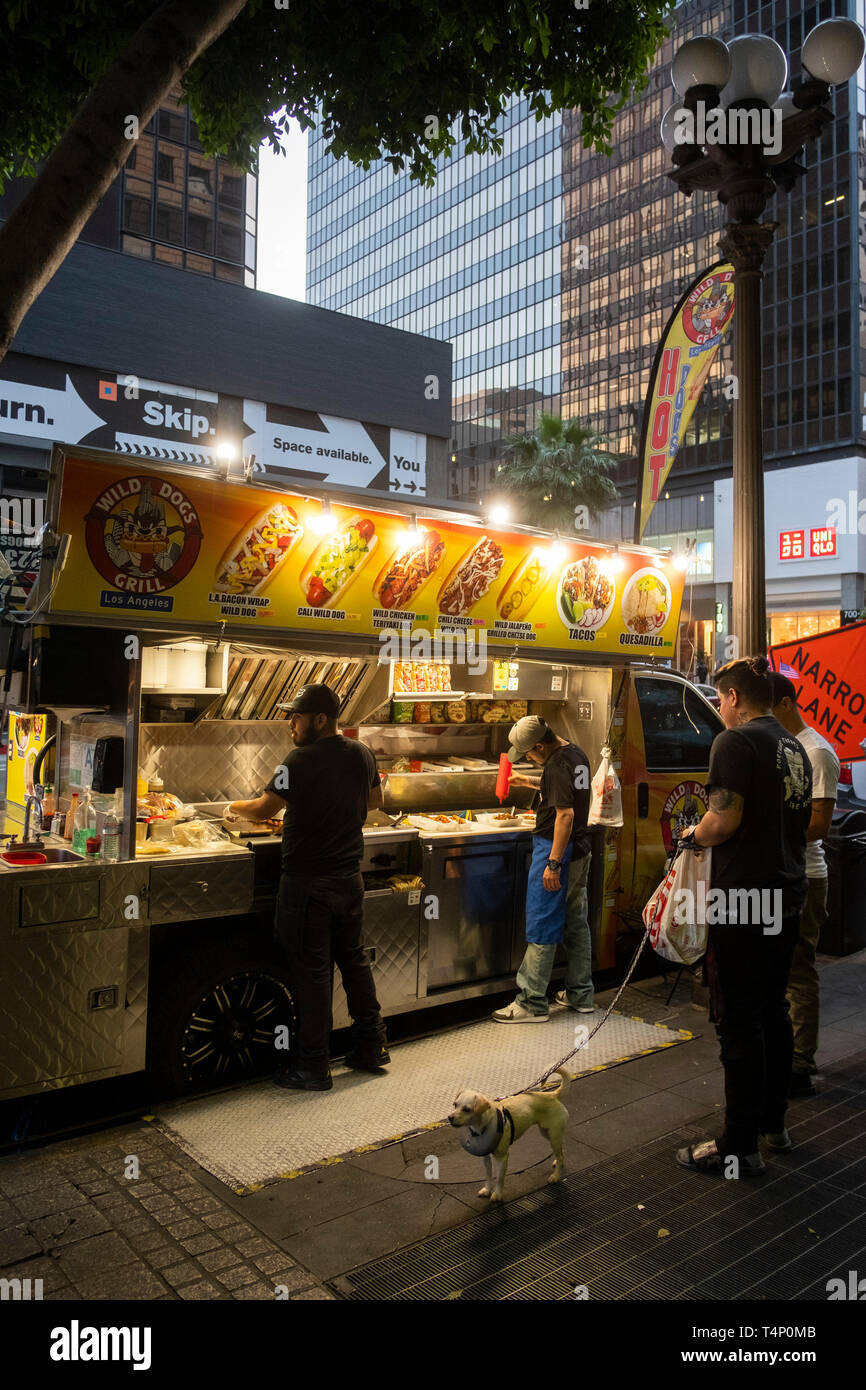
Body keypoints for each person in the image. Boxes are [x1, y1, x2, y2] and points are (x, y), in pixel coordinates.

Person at [676, 655, 812, 1176]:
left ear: (732, 698)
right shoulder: (794, 745)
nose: (718, 709)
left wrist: (692, 834)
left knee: (737, 1024)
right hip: (787, 895)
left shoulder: (733, 742)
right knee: (774, 1014)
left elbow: (723, 820)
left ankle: (738, 1146)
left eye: (719, 700)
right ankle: (773, 1127)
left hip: (743, 903)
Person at [228, 683, 389, 1091]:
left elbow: (265, 807)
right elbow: (374, 802)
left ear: (320, 719)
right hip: (349, 880)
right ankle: (372, 1047)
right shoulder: (362, 752)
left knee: (313, 974)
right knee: (353, 962)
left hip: (308, 885)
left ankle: (313, 1066)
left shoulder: (296, 760)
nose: (290, 724)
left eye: (296, 717)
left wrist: (230, 808)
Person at [492, 716, 594, 1023]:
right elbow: (567, 791)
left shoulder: (556, 764)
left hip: (555, 850)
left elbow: (565, 814)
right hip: (579, 851)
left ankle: (531, 1002)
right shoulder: (576, 753)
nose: (528, 759)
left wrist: (553, 863)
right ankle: (580, 995)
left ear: (539, 744)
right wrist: (530, 782)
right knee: (575, 924)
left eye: (528, 754)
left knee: (542, 922)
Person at [768, 670, 840, 1097]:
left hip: (806, 876)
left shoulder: (817, 753)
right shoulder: (782, 748)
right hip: (779, 872)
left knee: (799, 968)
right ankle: (784, 1053)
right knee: (779, 969)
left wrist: (769, 832)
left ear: (786, 704)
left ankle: (800, 1063)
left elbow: (819, 824)